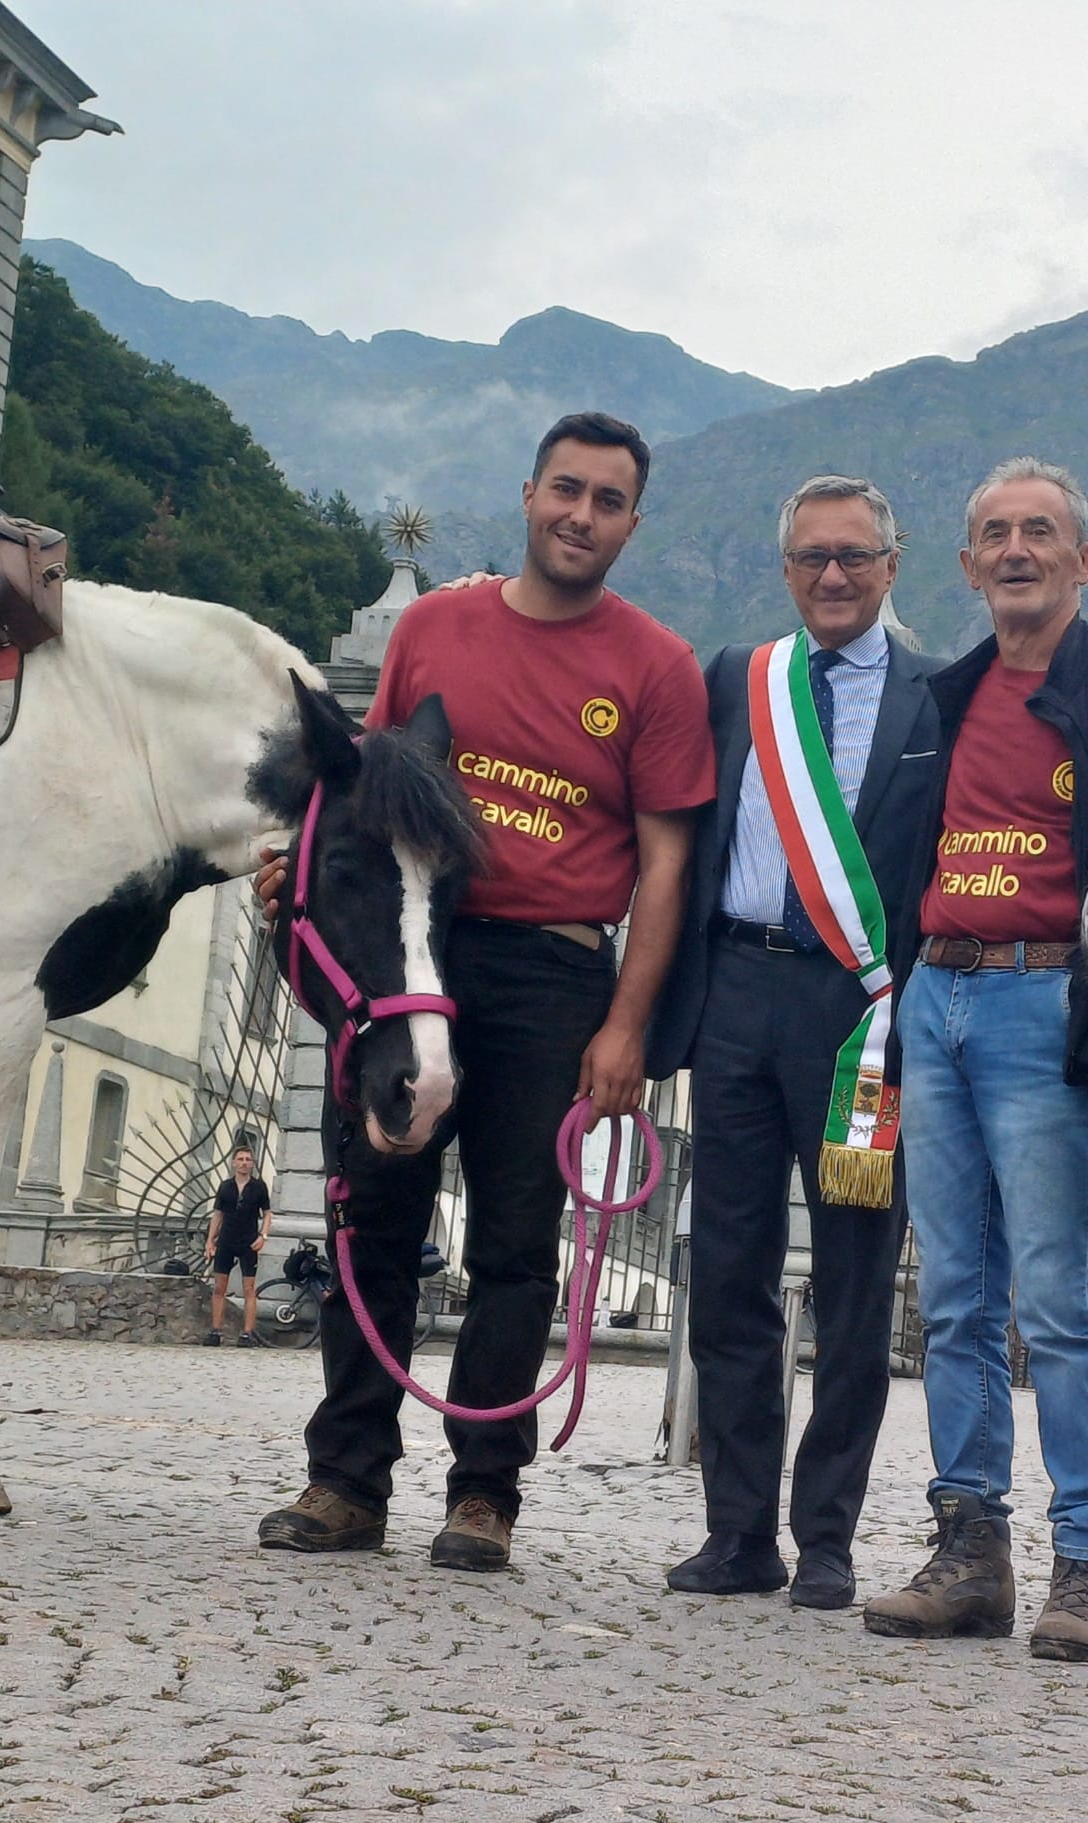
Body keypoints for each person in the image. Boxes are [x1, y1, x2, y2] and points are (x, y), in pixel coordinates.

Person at [257, 411, 713, 1572]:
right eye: (566, 489)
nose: (581, 515)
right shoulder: (432, 624)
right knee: (372, 1215)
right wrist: (294, 870)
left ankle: (482, 1492)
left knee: (516, 1242)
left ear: (631, 523)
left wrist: (625, 1024)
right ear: (527, 494)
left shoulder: (653, 666)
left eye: (608, 500)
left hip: (554, 968)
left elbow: (664, 864)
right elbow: (360, 786)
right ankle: (345, 1477)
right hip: (420, 953)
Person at [863, 457, 1088, 1664]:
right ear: (966, 565)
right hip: (936, 992)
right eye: (993, 532)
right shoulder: (944, 695)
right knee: (950, 1295)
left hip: (1045, 1000)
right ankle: (968, 1551)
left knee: (1054, 1295)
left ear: (1082, 561)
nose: (1015, 549)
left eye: (1039, 532)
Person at [648, 476, 942, 1611]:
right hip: (734, 1000)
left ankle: (825, 1537)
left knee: (857, 1277)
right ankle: (737, 1533)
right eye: (813, 556)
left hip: (862, 1021)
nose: (832, 575)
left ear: (890, 564)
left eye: (854, 556)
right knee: (725, 1269)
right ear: (785, 570)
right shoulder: (738, 680)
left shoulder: (937, 695)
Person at [204, 1144, 270, 1348]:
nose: (244, 1163)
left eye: (247, 1160)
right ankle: (215, 1330)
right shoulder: (225, 1186)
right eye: (240, 1159)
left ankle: (247, 1333)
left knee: (249, 1288)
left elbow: (267, 1213)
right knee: (219, 1287)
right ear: (234, 1163)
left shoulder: (259, 1186)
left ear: (252, 1163)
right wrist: (210, 1239)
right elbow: (218, 1215)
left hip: (249, 1242)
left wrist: (263, 1236)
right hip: (226, 1240)